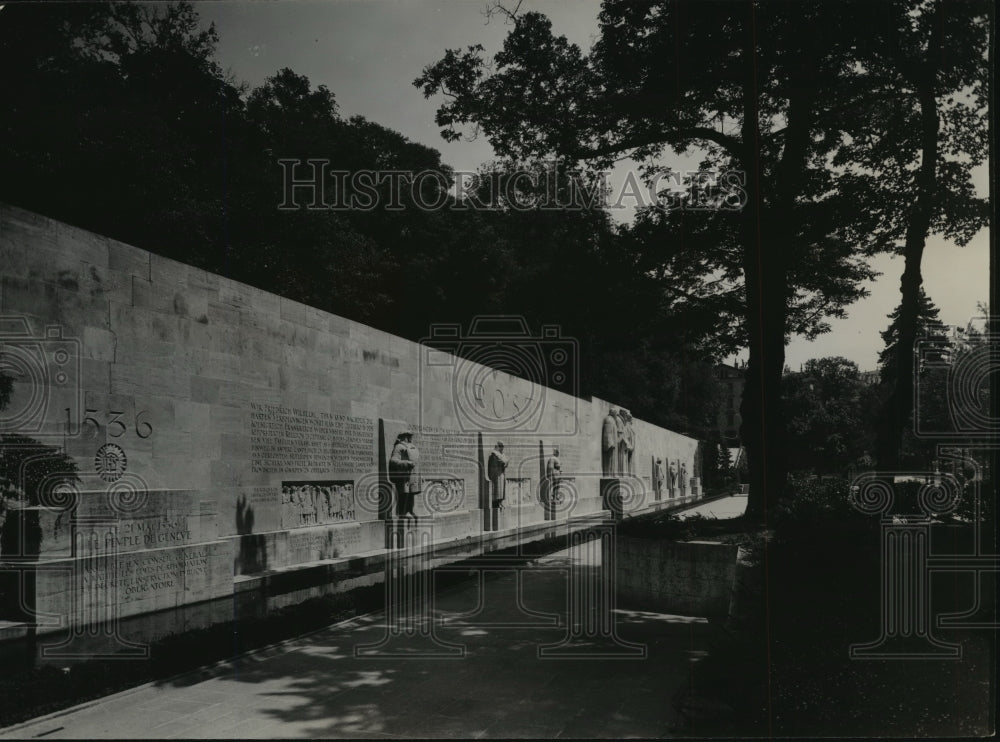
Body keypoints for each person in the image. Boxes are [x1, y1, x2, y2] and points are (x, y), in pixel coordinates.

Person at [388, 427, 421, 522]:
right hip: (404, 475)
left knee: (412, 494)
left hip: (413, 476)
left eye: (410, 436)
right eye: (409, 436)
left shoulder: (412, 446)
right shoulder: (399, 447)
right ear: (404, 437)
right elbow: (393, 461)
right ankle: (403, 513)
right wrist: (406, 463)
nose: (410, 438)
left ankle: (410, 511)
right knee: (405, 494)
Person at [487, 441, 509, 510]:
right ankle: (496, 503)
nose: (503, 449)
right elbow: (503, 461)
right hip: (496, 475)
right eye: (502, 447)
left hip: (501, 473)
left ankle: (500, 502)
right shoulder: (494, 454)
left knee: (502, 489)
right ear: (499, 447)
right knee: (498, 489)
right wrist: (506, 461)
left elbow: (506, 462)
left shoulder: (500, 454)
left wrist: (506, 461)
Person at [601, 407, 619, 476]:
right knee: (609, 461)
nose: (616, 415)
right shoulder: (609, 420)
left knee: (612, 461)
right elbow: (607, 433)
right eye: (615, 413)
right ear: (613, 413)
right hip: (610, 445)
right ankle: (609, 474)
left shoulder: (612, 420)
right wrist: (610, 443)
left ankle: (611, 474)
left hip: (612, 444)